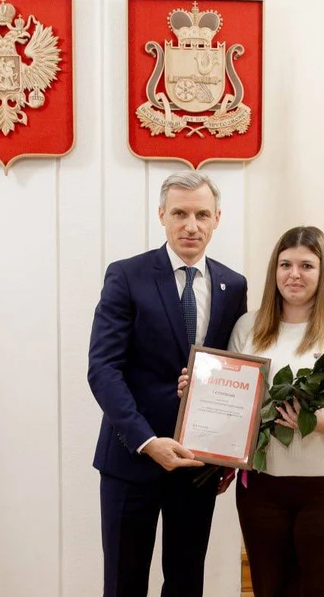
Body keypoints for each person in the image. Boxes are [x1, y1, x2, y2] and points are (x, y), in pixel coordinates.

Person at [180, 225, 324, 597]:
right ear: (274, 271)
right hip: (264, 492)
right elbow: (234, 400)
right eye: (285, 264)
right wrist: (198, 389)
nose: (294, 274)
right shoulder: (250, 327)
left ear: (323, 272)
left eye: (306, 266)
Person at [88, 171, 248, 597]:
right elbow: (103, 369)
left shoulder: (234, 286)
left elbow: (234, 373)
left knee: (185, 581)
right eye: (179, 213)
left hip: (198, 465)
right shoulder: (127, 276)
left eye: (201, 214)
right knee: (124, 582)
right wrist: (146, 440)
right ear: (162, 215)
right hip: (132, 458)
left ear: (217, 219)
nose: (190, 225)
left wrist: (229, 451)